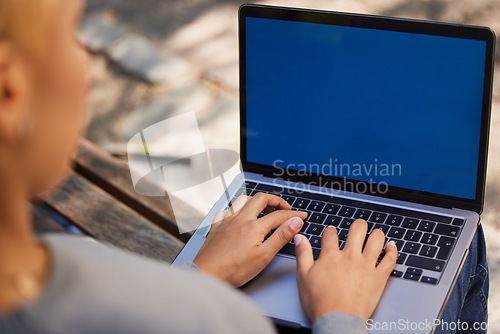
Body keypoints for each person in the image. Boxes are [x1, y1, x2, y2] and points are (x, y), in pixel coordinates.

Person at [0, 0, 489, 333]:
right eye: (70, 32)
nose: (83, 61)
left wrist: (203, 272)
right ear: (9, 91)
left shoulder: (55, 277)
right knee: (466, 242)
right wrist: (340, 315)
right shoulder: (201, 317)